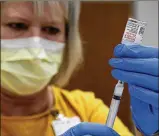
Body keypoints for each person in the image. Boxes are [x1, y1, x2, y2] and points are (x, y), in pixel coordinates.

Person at [1, 1, 158, 136]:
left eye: (51, 29)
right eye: (17, 25)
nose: (36, 45)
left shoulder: (86, 110)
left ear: (68, 40)